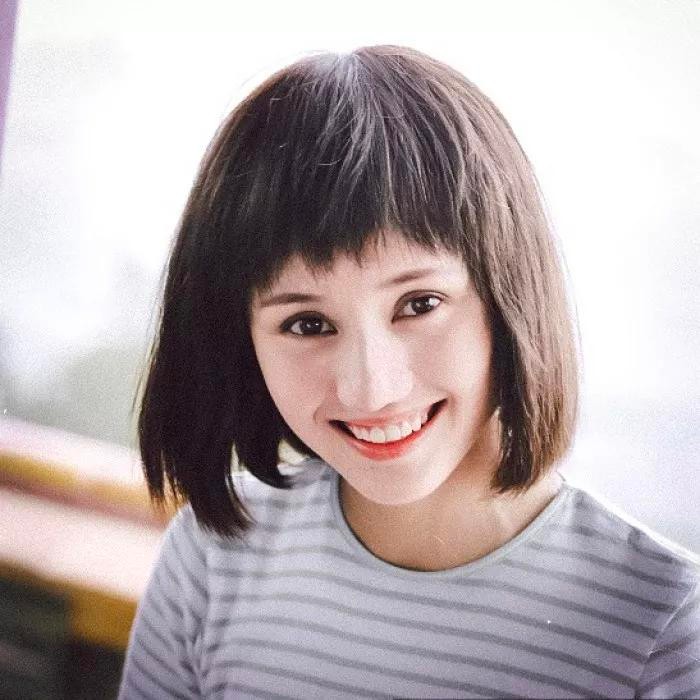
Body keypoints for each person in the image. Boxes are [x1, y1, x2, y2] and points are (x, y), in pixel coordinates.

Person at [118, 45, 699, 699]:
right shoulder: (211, 560)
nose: (372, 387)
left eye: (419, 304)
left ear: (511, 294)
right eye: (307, 324)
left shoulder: (662, 622)